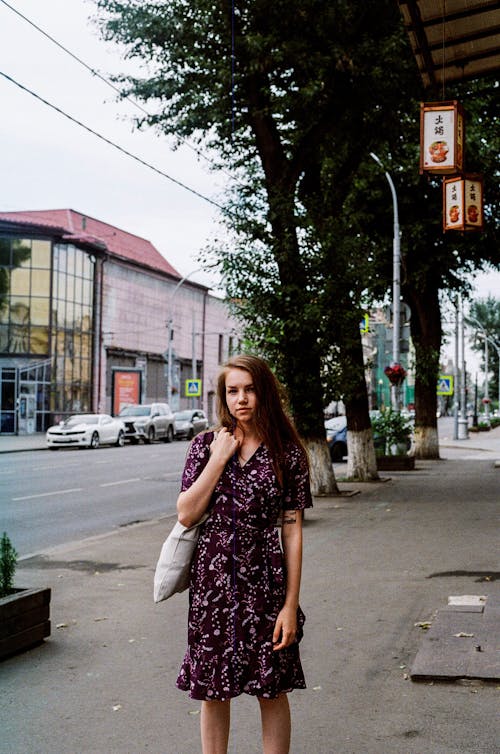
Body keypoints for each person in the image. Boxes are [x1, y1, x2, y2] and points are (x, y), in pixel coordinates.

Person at [176, 354, 312, 754]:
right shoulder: (205, 447)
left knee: (270, 687)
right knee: (214, 690)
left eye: (250, 389)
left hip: (266, 584)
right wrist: (219, 459)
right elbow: (186, 513)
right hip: (213, 587)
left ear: (264, 392)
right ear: (223, 397)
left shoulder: (288, 454)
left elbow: (292, 529)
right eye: (233, 391)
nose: (242, 399)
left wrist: (290, 604)